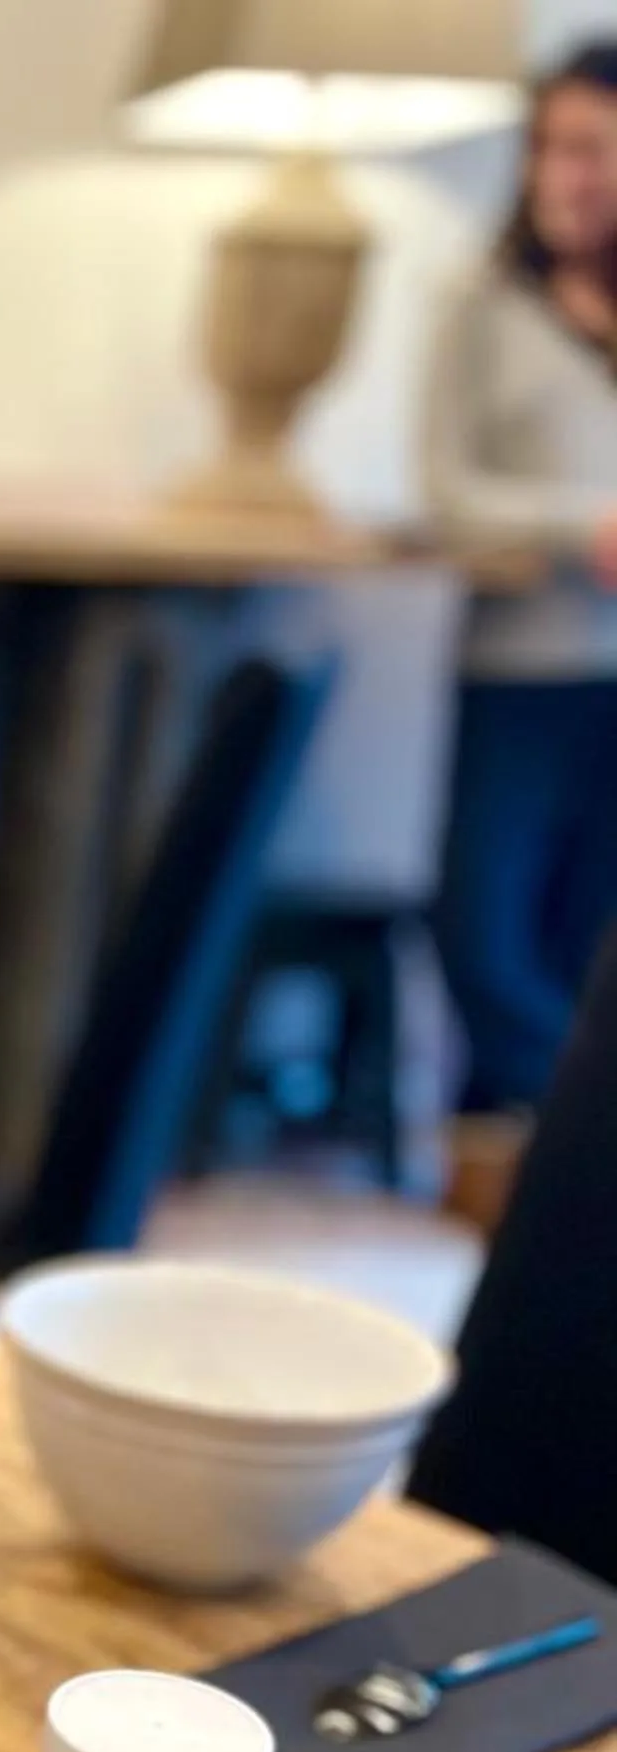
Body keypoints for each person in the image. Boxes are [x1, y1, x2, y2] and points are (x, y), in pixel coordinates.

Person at [424, 38, 617, 1116]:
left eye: (589, 149)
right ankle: (571, 1143)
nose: (562, 174)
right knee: (484, 943)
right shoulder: (482, 305)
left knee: (593, 953)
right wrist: (580, 526)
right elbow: (444, 488)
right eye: (548, 148)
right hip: (516, 669)